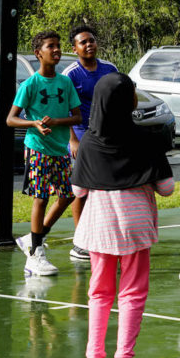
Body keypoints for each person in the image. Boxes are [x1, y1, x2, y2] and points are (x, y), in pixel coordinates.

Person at [72, 72, 174, 358]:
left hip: (99, 227)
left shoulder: (89, 142)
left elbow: (78, 190)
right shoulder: (146, 137)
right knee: (132, 293)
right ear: (129, 101)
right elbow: (166, 188)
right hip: (136, 227)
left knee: (99, 292)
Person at [7, 29, 82, 277]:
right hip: (37, 148)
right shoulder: (30, 85)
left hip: (59, 148)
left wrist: (58, 122)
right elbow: (11, 119)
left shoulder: (65, 82)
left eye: (58, 46)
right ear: (38, 53)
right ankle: (35, 255)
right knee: (41, 197)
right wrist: (34, 123)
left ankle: (34, 237)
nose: (57, 50)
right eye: (51, 46)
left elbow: (78, 116)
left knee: (68, 195)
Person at [64, 24, 120, 263]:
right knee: (82, 189)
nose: (89, 45)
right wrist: (72, 139)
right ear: (75, 48)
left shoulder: (110, 69)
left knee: (108, 188)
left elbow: (119, 99)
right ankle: (80, 242)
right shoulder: (71, 74)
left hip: (106, 134)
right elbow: (64, 108)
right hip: (81, 134)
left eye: (92, 40)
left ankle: (105, 236)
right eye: (83, 42)